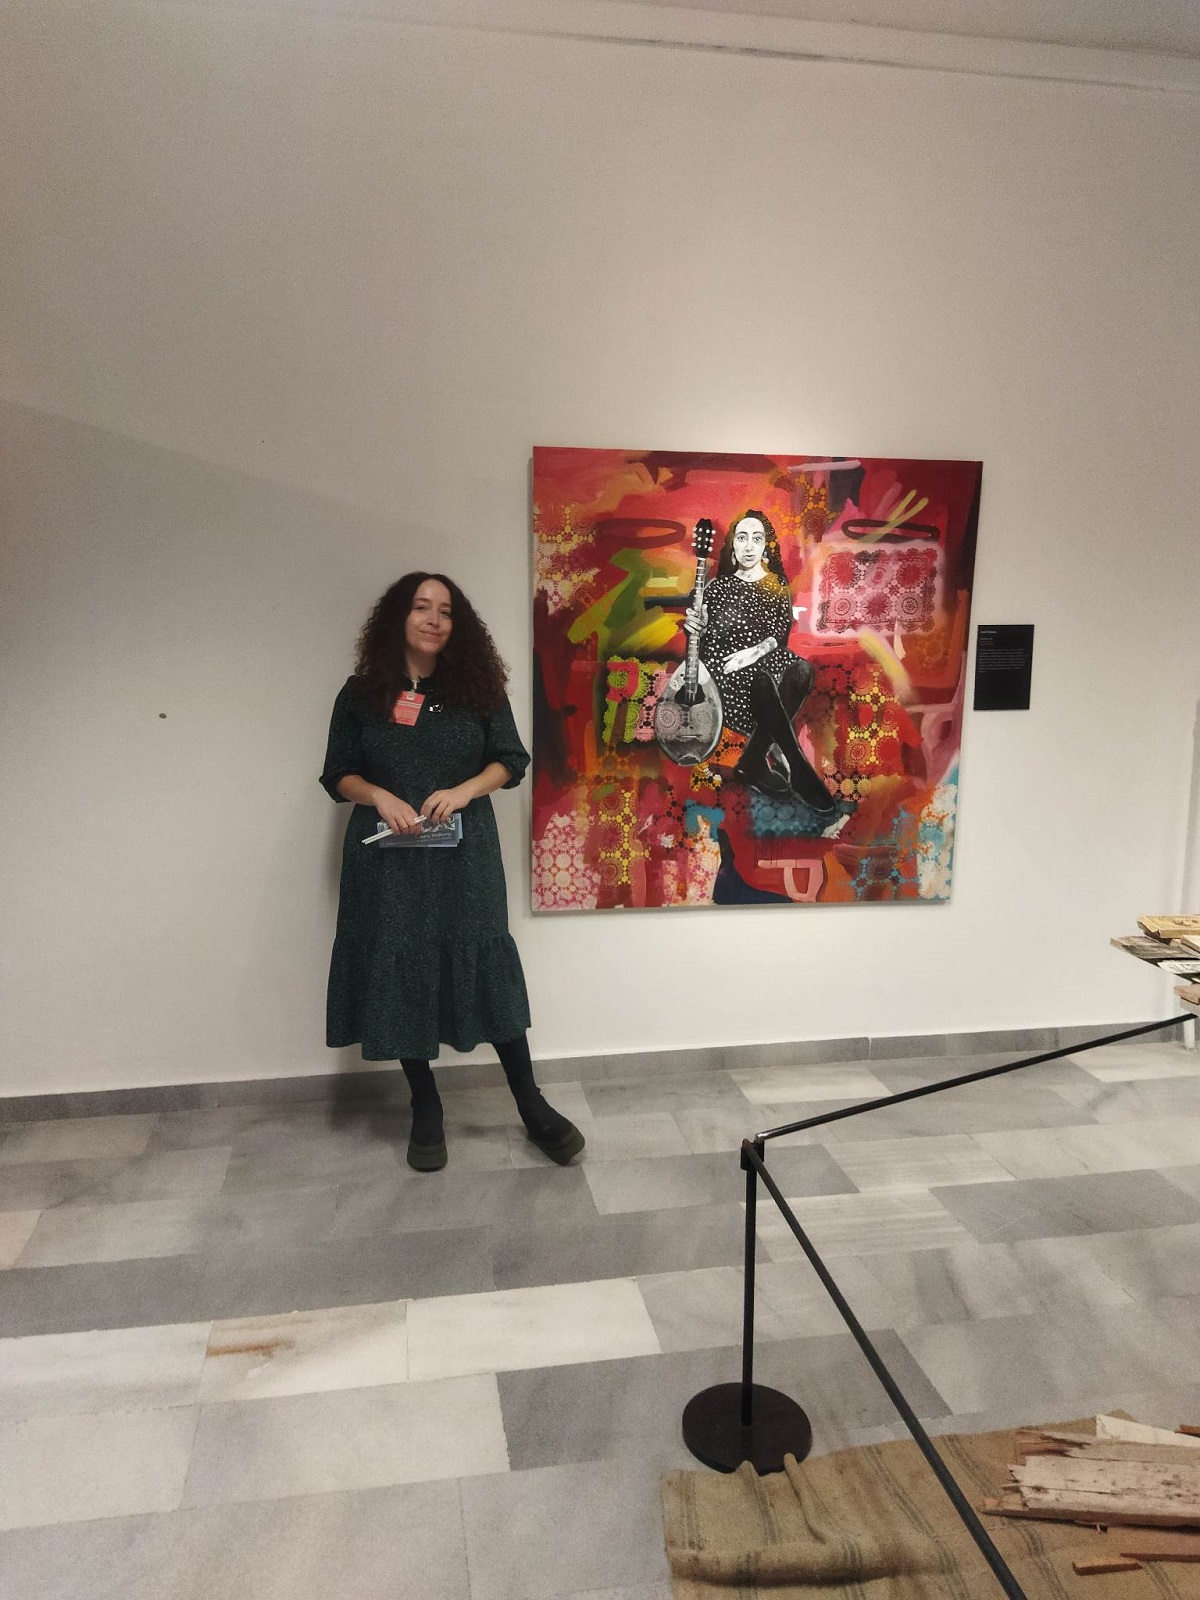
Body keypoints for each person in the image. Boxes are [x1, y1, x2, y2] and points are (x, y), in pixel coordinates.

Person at [320, 571, 584, 1172]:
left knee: (484, 962)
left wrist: (464, 790)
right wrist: (378, 796)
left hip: (465, 856)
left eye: (445, 611)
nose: (433, 620)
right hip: (387, 859)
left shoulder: (478, 689)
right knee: (402, 964)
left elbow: (510, 759)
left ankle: (531, 1103)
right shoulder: (361, 694)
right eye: (421, 607)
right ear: (399, 618)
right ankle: (425, 1104)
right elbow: (338, 773)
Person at [685, 511, 834, 813]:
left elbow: (779, 635)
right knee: (762, 681)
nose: (749, 546)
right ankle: (799, 770)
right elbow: (703, 644)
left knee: (801, 670)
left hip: (763, 665)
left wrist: (752, 653)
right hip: (727, 677)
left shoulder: (777, 585)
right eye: (742, 538)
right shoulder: (715, 588)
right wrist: (695, 627)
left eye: (757, 538)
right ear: (733, 545)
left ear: (766, 546)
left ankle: (751, 762)